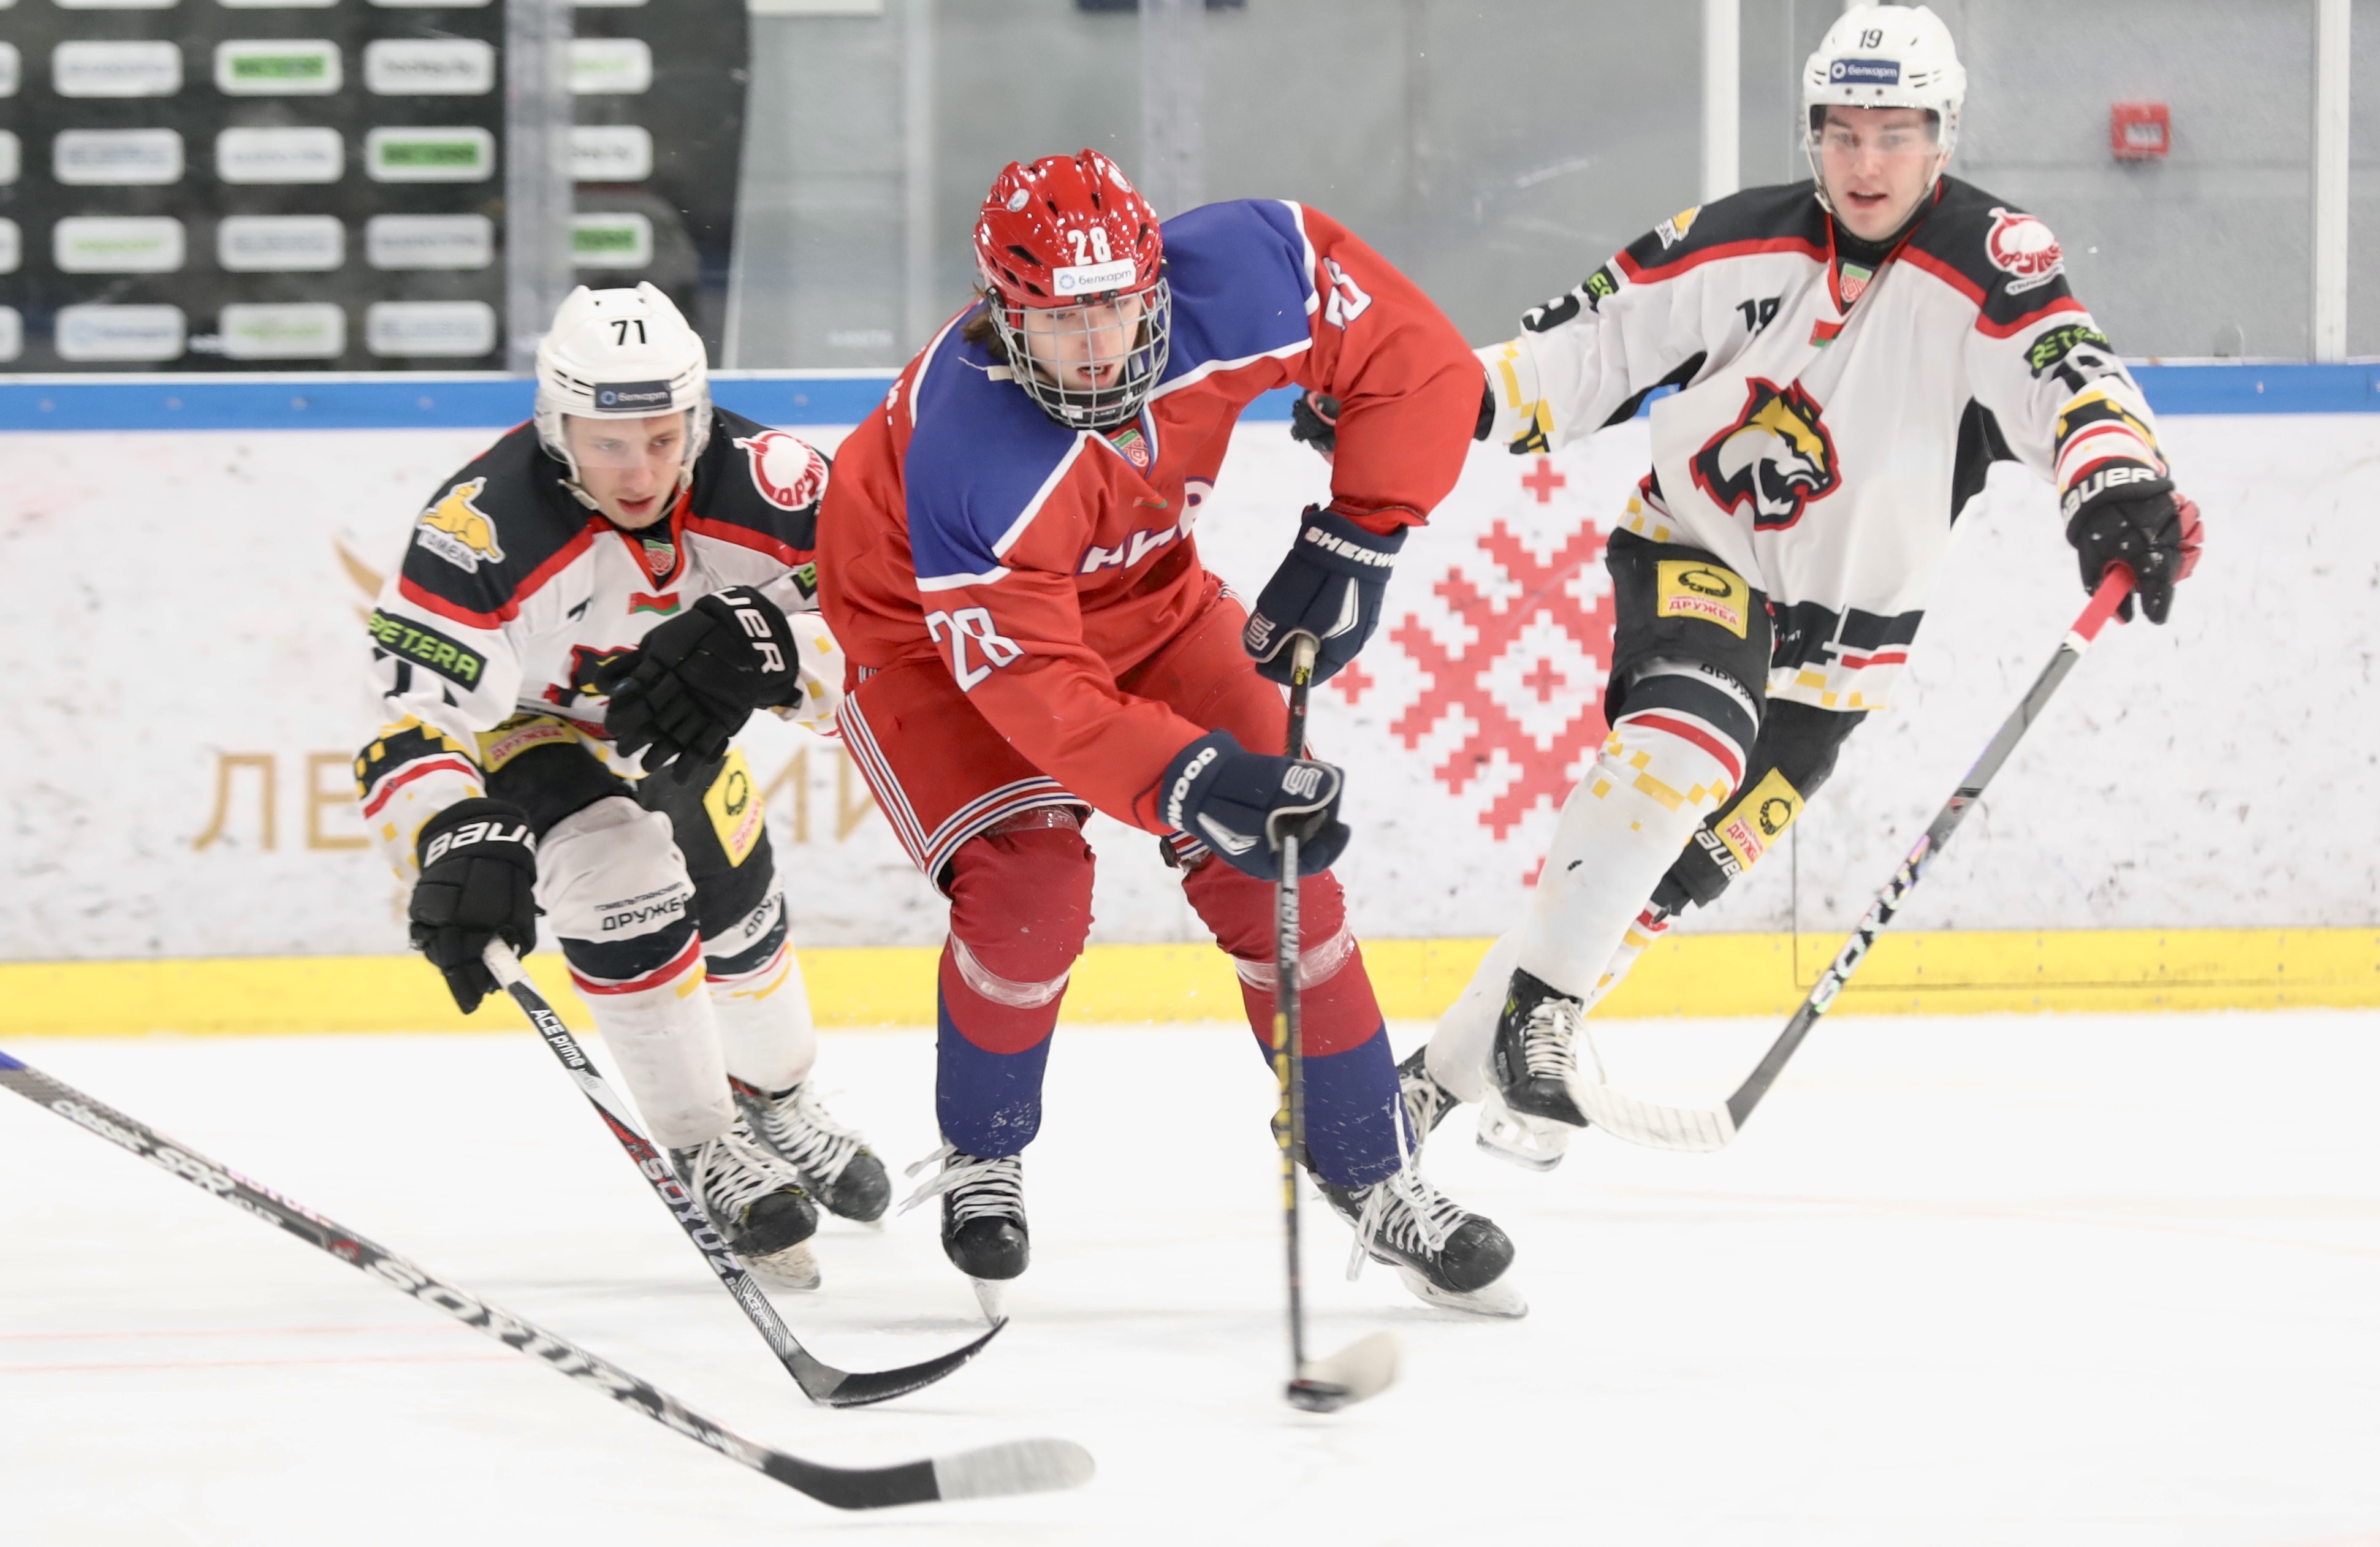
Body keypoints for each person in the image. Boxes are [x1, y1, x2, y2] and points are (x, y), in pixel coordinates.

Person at [1394, 4, 2204, 1169]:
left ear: (1943, 135)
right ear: (1813, 132)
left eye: (1896, 134)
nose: (1866, 161)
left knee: (1642, 887)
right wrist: (1416, 404)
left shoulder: (1990, 260)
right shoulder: (1739, 240)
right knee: (1684, 745)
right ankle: (1543, 1024)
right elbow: (1584, 351)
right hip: (1699, 555)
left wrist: (2118, 481)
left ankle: (1419, 1097)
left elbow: (2064, 372)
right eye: (1843, 132)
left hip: (1844, 661)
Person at [816, 149, 1521, 1320]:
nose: (1097, 348)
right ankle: (986, 1150)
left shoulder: (1248, 264)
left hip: (1151, 602)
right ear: (1003, 315)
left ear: (1160, 285)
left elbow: (1420, 360)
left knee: (1283, 872)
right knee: (1031, 892)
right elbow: (1038, 689)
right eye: (1059, 321)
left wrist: (1364, 529)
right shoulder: (973, 455)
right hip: (934, 644)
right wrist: (1187, 778)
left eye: (1117, 310)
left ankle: (1369, 1168)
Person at [355, 282, 889, 1287]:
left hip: (670, 724)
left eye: (661, 437)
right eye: (606, 443)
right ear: (555, 426)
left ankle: (777, 1098)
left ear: (699, 416)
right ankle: (704, 1144)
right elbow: (411, 716)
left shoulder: (780, 487)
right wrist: (451, 832)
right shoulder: (481, 526)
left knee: (740, 917)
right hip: (529, 727)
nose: (638, 472)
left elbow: (893, 646)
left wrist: (783, 653)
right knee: (618, 869)